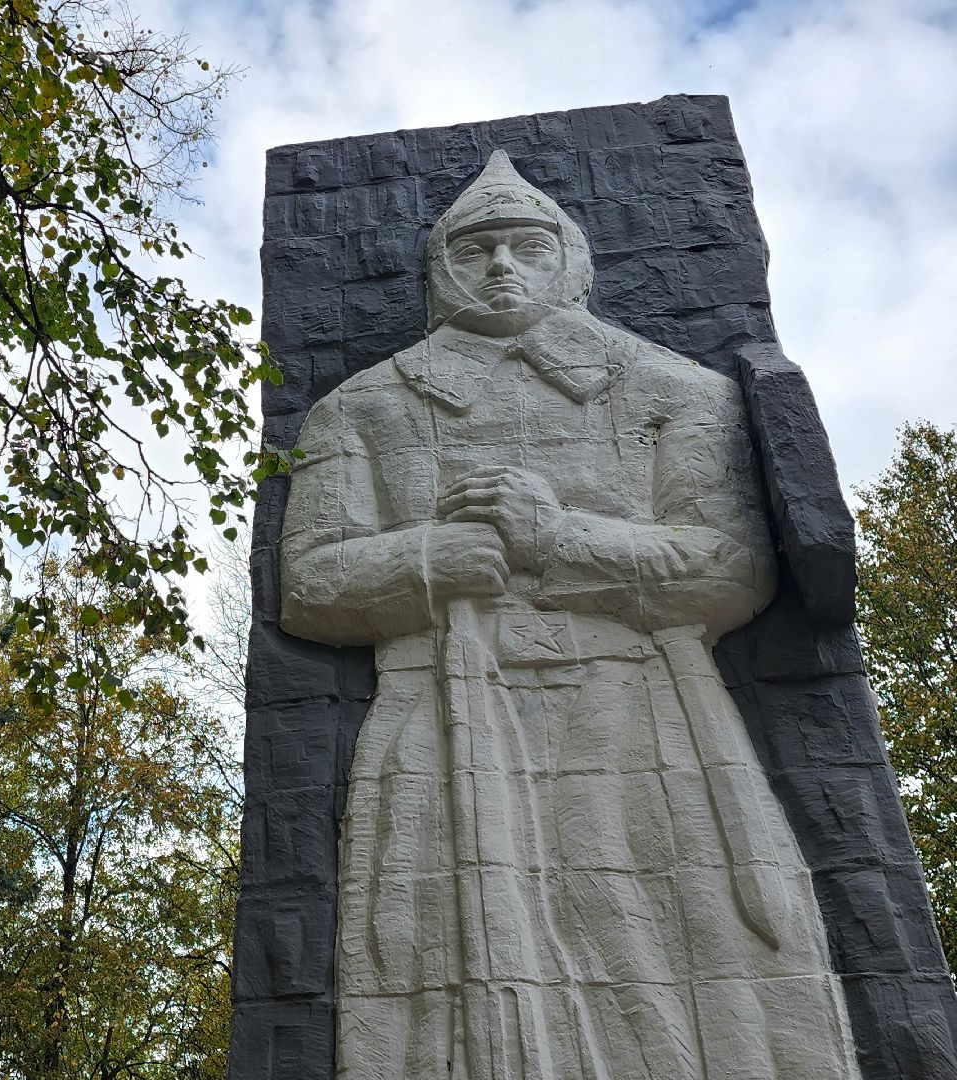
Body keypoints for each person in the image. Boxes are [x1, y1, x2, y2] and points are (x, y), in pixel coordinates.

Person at [279, 150, 861, 1079]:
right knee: (441, 984)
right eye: (474, 250)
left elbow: (733, 568)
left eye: (526, 245)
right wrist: (431, 558)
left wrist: (560, 540)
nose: (500, 266)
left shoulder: (675, 391)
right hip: (441, 712)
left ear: (574, 259)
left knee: (678, 973)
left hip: (641, 715)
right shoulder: (360, 410)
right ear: (440, 269)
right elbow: (310, 583)